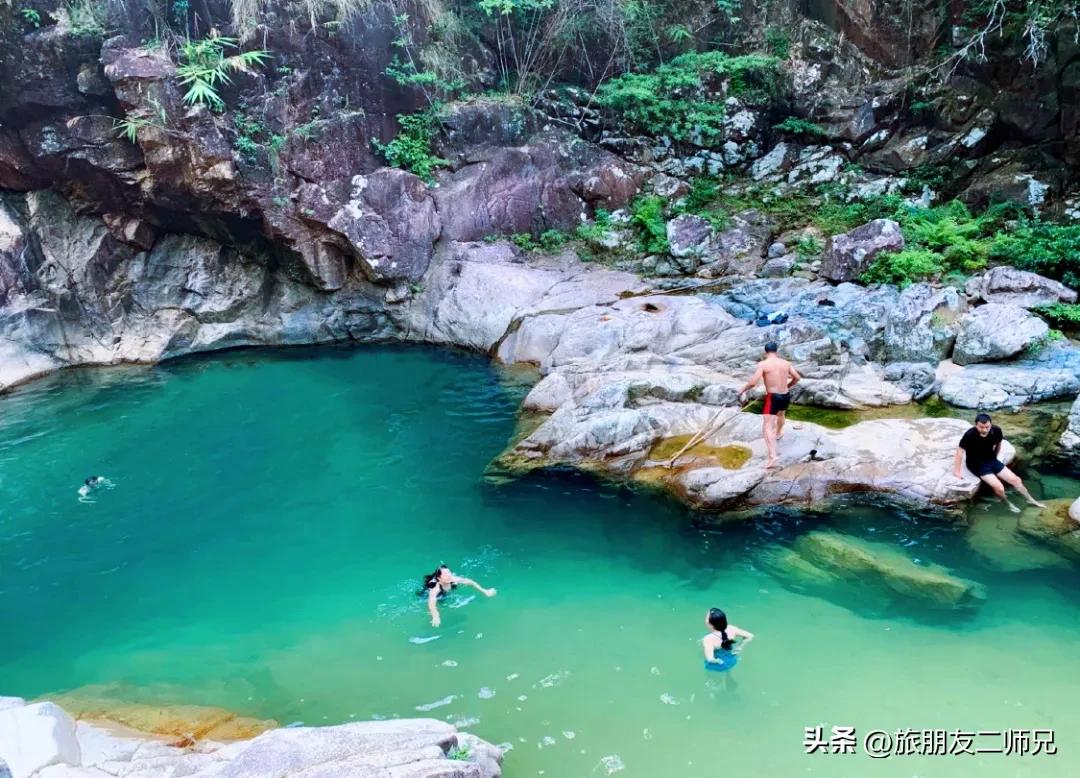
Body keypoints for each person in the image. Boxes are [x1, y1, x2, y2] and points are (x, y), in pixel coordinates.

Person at [952, 413, 1045, 513]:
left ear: (991, 424)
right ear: (976, 425)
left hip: (991, 459)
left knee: (1016, 480)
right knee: (999, 488)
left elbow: (998, 444)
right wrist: (957, 471)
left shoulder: (996, 430)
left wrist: (995, 457)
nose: (984, 430)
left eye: (987, 427)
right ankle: (1007, 504)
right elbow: (960, 451)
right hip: (977, 464)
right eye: (981, 427)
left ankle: (1030, 500)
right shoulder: (970, 434)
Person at [737, 342, 801, 469]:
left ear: (765, 352)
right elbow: (797, 377)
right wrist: (788, 386)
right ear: (776, 351)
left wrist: (742, 390)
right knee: (781, 414)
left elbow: (753, 382)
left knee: (767, 426)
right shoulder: (786, 363)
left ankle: (773, 456)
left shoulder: (763, 364)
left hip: (773, 397)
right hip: (785, 395)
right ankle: (779, 433)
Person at [422, 565, 496, 627]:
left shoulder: (453, 579)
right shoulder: (435, 589)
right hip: (436, 592)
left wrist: (485, 591)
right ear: (439, 578)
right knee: (441, 602)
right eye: (445, 574)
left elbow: (470, 582)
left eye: (449, 572)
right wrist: (435, 616)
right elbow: (431, 603)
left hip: (446, 589)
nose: (449, 575)